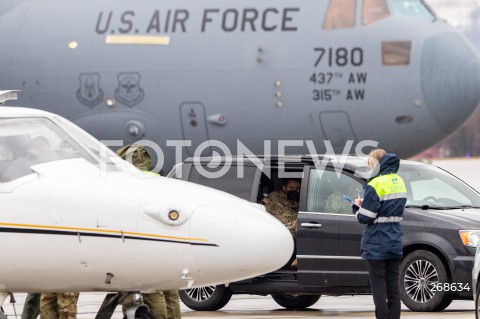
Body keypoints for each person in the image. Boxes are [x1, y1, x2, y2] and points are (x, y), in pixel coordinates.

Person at [117, 144, 181, 319]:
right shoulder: (160, 181)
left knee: (151, 293)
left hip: (142, 247)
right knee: (170, 294)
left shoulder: (124, 186)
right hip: (169, 244)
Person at [352, 149, 407, 319]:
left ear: (376, 164)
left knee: (378, 286)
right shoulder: (399, 181)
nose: (370, 167)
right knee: (393, 286)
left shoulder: (375, 184)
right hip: (394, 239)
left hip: (377, 241)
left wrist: (356, 208)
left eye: (370, 164)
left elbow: (366, 217)